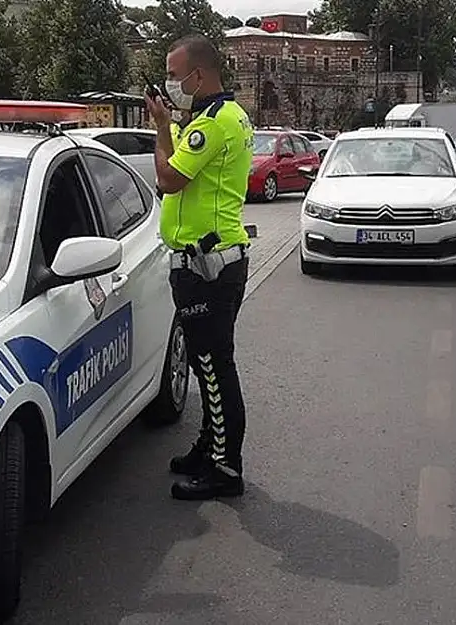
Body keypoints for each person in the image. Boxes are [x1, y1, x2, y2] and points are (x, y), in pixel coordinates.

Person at [145, 34, 253, 501]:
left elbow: (168, 179)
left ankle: (225, 470)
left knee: (212, 366)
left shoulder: (211, 124)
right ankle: (210, 449)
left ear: (199, 75)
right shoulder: (227, 116)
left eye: (174, 74)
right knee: (210, 363)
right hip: (214, 261)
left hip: (207, 267)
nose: (171, 83)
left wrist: (161, 125)